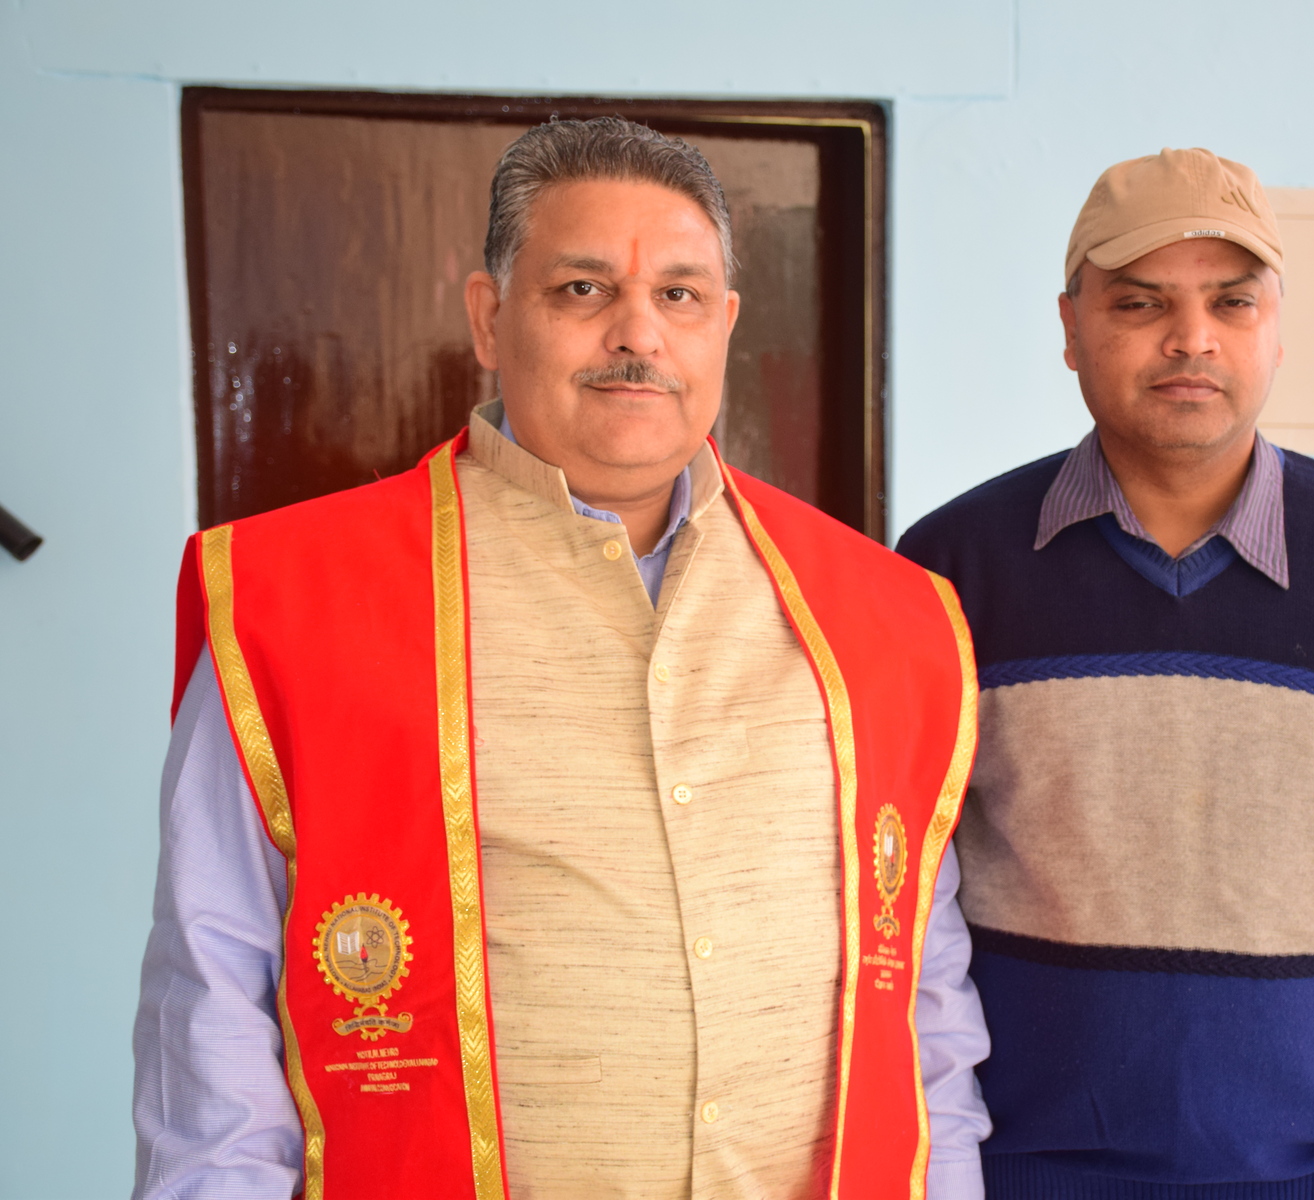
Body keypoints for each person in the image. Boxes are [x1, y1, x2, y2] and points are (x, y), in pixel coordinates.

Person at [133, 117, 991, 1200]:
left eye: (679, 295)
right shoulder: (293, 602)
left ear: (725, 325)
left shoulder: (882, 615)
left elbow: (925, 1014)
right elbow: (211, 998)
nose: (639, 333)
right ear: (490, 319)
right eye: (583, 290)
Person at [898, 148, 1314, 1200]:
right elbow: (898, 904)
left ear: (1277, 329)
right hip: (1014, 1168)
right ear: (1070, 327)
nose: (1191, 338)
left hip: (1306, 1174)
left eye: (1232, 302)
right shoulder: (949, 571)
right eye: (1139, 301)